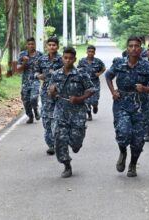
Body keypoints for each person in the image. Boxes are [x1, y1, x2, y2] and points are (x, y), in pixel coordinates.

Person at [105, 36, 149, 177]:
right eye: (131, 46)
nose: (134, 48)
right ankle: (123, 152)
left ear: (141, 49)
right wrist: (113, 91)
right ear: (127, 48)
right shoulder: (119, 63)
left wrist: (145, 89)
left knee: (138, 140)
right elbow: (108, 76)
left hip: (141, 106)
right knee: (123, 132)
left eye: (136, 46)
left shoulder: (147, 66)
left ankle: (133, 164)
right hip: (121, 103)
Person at [48, 47, 94, 178]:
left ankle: (76, 144)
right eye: (65, 58)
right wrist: (51, 92)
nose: (67, 60)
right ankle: (66, 164)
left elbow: (91, 89)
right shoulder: (56, 74)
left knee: (76, 142)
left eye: (70, 58)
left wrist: (79, 98)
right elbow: (50, 92)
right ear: (62, 58)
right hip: (61, 110)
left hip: (77, 112)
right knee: (59, 137)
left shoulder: (81, 74)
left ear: (75, 59)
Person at [34, 37, 63, 155]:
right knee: (46, 120)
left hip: (60, 94)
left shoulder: (63, 59)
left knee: (58, 119)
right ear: (47, 46)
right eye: (50, 45)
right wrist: (38, 76)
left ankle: (59, 142)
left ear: (58, 46)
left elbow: (69, 73)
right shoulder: (42, 59)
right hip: (46, 94)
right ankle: (51, 144)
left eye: (54, 45)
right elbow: (35, 71)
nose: (52, 47)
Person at [17, 37, 43, 124]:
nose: (31, 46)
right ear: (27, 45)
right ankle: (30, 116)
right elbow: (19, 70)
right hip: (25, 81)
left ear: (35, 45)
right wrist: (24, 62)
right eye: (29, 44)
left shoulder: (40, 55)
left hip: (35, 80)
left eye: (32, 44)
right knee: (26, 100)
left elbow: (44, 68)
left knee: (34, 98)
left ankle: (35, 110)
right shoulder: (22, 55)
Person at [77, 45, 106, 121]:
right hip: (85, 84)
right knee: (86, 100)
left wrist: (99, 73)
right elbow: (77, 69)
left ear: (94, 53)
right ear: (87, 52)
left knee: (94, 100)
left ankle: (95, 106)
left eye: (92, 52)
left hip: (95, 83)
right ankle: (89, 114)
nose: (90, 53)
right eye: (89, 51)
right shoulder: (82, 61)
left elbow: (103, 68)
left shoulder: (98, 61)